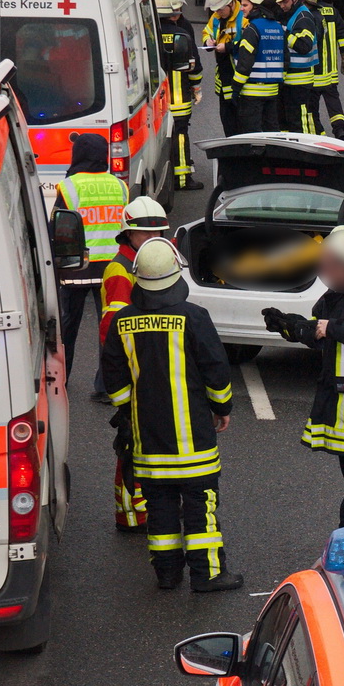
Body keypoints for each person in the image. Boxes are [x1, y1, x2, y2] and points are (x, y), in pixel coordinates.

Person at [102, 238, 243, 593]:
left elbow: (115, 382)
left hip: (149, 442)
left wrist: (128, 412)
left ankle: (166, 573)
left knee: (160, 509)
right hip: (193, 441)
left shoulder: (122, 322)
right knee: (200, 507)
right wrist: (222, 408)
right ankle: (208, 574)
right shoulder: (194, 317)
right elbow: (216, 370)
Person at [262, 226, 344, 528]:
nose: (328, 271)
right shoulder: (335, 296)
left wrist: (332, 327)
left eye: (334, 265)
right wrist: (290, 326)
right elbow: (319, 333)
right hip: (341, 400)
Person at [99, 195, 171, 532]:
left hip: (150, 366)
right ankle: (130, 515)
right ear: (129, 234)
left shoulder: (151, 259)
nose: (154, 240)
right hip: (134, 370)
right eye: (146, 234)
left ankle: (150, 507)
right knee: (130, 444)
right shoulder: (121, 270)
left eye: (160, 233)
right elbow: (111, 331)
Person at [54, 132, 129, 392]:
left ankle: (60, 381)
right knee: (109, 329)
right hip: (111, 269)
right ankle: (107, 387)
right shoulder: (119, 186)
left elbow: (60, 228)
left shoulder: (70, 186)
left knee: (66, 329)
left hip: (77, 268)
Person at [156, 0, 203, 190]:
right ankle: (182, 180)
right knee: (180, 134)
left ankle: (162, 177)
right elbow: (195, 66)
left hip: (155, 100)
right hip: (178, 96)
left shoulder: (149, 34)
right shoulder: (182, 34)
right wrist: (196, 88)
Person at [231, 0, 285, 134]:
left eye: (245, 5)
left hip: (252, 93)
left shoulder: (252, 29)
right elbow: (285, 58)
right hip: (272, 92)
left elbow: (245, 63)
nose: (241, 9)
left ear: (255, 7)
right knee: (272, 133)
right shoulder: (277, 27)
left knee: (252, 135)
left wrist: (236, 87)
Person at [301, 0, 344, 137]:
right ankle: (340, 130)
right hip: (330, 72)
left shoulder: (304, 15)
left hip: (312, 73)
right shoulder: (332, 11)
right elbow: (342, 36)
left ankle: (319, 134)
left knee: (311, 106)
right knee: (334, 103)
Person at [274, 0, 319, 134]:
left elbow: (304, 46)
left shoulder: (304, 18)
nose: (282, 6)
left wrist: (284, 33)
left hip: (300, 81)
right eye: (279, 3)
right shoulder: (290, 14)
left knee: (300, 123)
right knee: (285, 123)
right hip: (288, 80)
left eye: (284, 2)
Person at [201, 0, 242, 137]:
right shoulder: (216, 17)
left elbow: (249, 43)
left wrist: (228, 47)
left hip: (239, 72)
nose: (218, 12)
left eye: (221, 9)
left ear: (230, 4)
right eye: (216, 10)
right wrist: (208, 42)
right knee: (227, 117)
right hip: (224, 73)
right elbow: (207, 32)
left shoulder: (242, 18)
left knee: (240, 117)